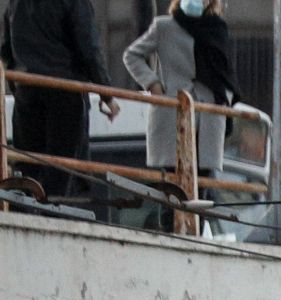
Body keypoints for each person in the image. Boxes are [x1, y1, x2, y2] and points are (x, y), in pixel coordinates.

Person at [2, 0, 115, 201]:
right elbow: (89, 48)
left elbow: (6, 49)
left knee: (28, 167)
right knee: (62, 172)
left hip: (27, 89)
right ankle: (52, 212)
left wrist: (17, 83)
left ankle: (28, 210)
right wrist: (106, 94)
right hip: (65, 90)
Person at [120, 0, 231, 187]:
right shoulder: (164, 26)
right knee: (172, 189)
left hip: (208, 117)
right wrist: (153, 83)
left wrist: (224, 101)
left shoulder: (218, 29)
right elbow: (132, 55)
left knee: (201, 189)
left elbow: (225, 74)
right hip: (172, 112)